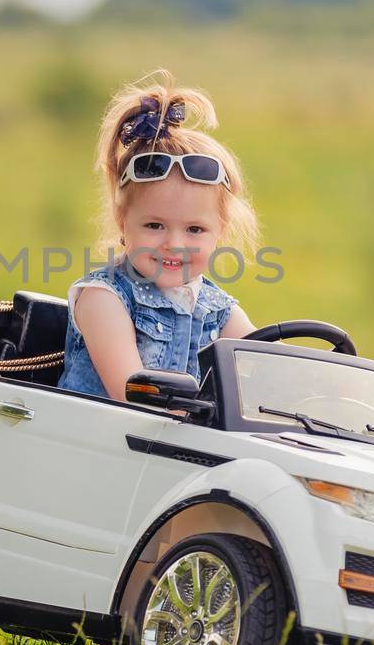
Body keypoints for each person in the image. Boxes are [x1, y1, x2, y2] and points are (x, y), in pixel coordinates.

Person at [57, 72, 259, 400]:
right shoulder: (104, 299)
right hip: (100, 444)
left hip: (170, 448)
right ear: (122, 222)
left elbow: (265, 367)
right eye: (154, 226)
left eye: (194, 229)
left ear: (219, 232)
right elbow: (134, 396)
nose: (174, 244)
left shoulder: (218, 310)